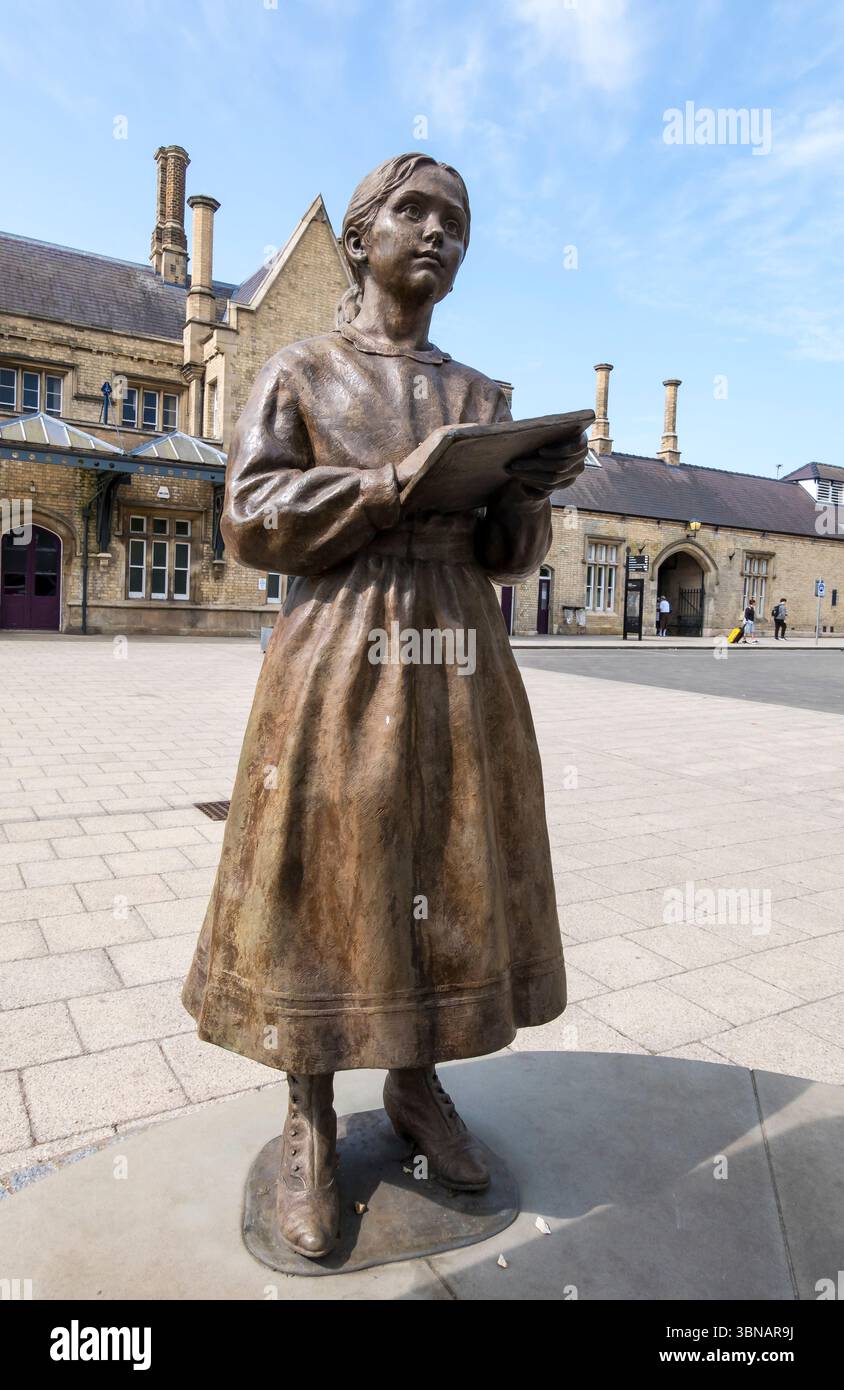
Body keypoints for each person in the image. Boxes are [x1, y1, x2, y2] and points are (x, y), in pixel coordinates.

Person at [181, 153, 586, 1260]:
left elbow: (507, 556)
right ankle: (308, 1112)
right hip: (340, 646)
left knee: (445, 859)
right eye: (414, 211)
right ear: (360, 238)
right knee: (325, 864)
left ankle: (416, 1081)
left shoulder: (481, 396)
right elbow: (250, 517)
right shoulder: (300, 370)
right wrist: (387, 486)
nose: (437, 232)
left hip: (460, 651)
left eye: (456, 220)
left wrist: (526, 497)